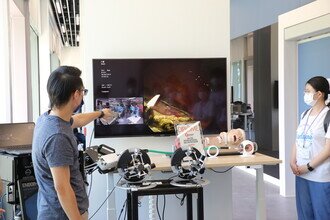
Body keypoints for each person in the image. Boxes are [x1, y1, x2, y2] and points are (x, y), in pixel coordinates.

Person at [32, 66, 115, 220]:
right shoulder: (58, 137)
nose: (83, 95)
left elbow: (76, 120)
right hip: (63, 215)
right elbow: (62, 188)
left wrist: (101, 113)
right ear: (76, 94)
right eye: (83, 91)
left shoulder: (47, 119)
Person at [290, 76, 330, 220]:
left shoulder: (328, 116)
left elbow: (328, 149)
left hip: (320, 176)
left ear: (319, 94)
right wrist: (292, 160)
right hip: (301, 173)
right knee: (304, 215)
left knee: (322, 215)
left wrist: (309, 167)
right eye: (304, 91)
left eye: (308, 91)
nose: (305, 94)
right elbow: (298, 139)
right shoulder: (305, 114)